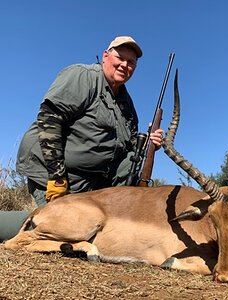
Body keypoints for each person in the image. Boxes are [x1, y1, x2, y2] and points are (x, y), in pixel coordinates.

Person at [0, 36, 163, 241]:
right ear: (105, 56)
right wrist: (57, 178)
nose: (124, 65)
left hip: (90, 183)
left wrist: (148, 142)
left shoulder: (127, 104)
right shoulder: (83, 76)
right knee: (65, 230)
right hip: (54, 175)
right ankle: (13, 224)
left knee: (131, 162)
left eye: (131, 63)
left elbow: (129, 146)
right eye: (120, 57)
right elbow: (49, 117)